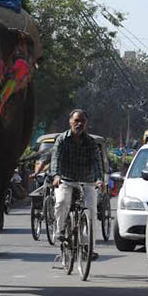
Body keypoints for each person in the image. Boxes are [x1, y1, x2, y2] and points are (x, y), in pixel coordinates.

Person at [49, 109, 105, 260]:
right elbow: (56, 159)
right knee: (62, 202)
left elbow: (97, 162)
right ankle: (60, 231)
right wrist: (56, 176)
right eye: (76, 121)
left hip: (87, 181)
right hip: (65, 180)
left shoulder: (91, 142)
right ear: (70, 122)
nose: (79, 124)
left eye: (82, 121)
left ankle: (89, 247)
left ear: (86, 124)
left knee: (92, 211)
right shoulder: (62, 139)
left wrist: (100, 179)